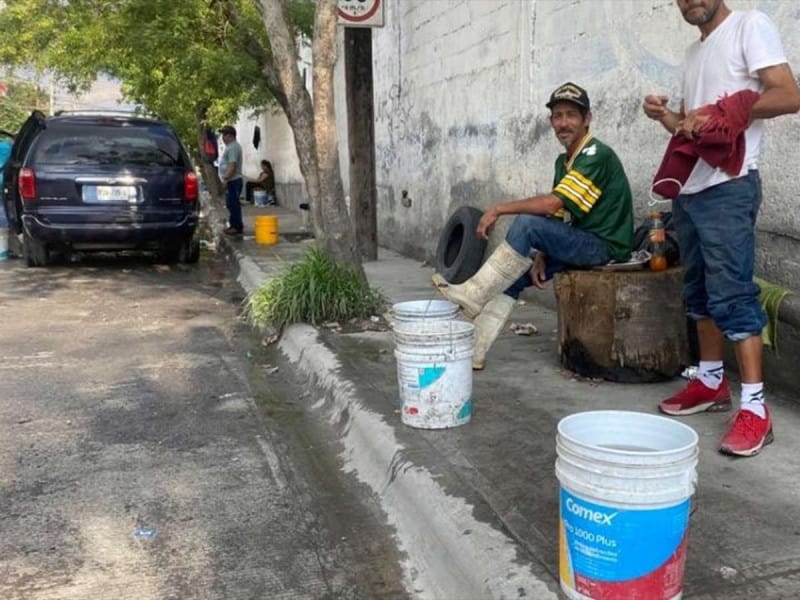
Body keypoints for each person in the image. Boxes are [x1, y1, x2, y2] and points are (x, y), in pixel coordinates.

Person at [643, 0, 800, 457]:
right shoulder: (693, 55)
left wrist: (724, 112)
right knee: (699, 293)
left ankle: (756, 408)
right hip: (691, 189)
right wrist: (668, 118)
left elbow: (788, 94)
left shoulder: (750, 25)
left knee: (732, 293)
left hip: (730, 187)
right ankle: (711, 382)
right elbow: (696, 131)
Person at [434, 82, 634, 370]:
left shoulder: (596, 154)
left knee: (526, 223)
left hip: (605, 247)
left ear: (587, 119)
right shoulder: (563, 161)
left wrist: (499, 208)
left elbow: (551, 205)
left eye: (571, 115)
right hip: (581, 239)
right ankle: (475, 350)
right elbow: (559, 214)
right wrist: (542, 255)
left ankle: (473, 293)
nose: (563, 123)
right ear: (551, 121)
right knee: (514, 276)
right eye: (558, 116)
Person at [218, 125, 244, 235]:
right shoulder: (232, 146)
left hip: (233, 180)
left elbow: (232, 165)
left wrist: (225, 179)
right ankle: (234, 225)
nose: (222, 138)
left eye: (224, 135)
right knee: (231, 203)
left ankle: (236, 227)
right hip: (232, 180)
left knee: (233, 204)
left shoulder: (233, 147)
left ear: (230, 135)